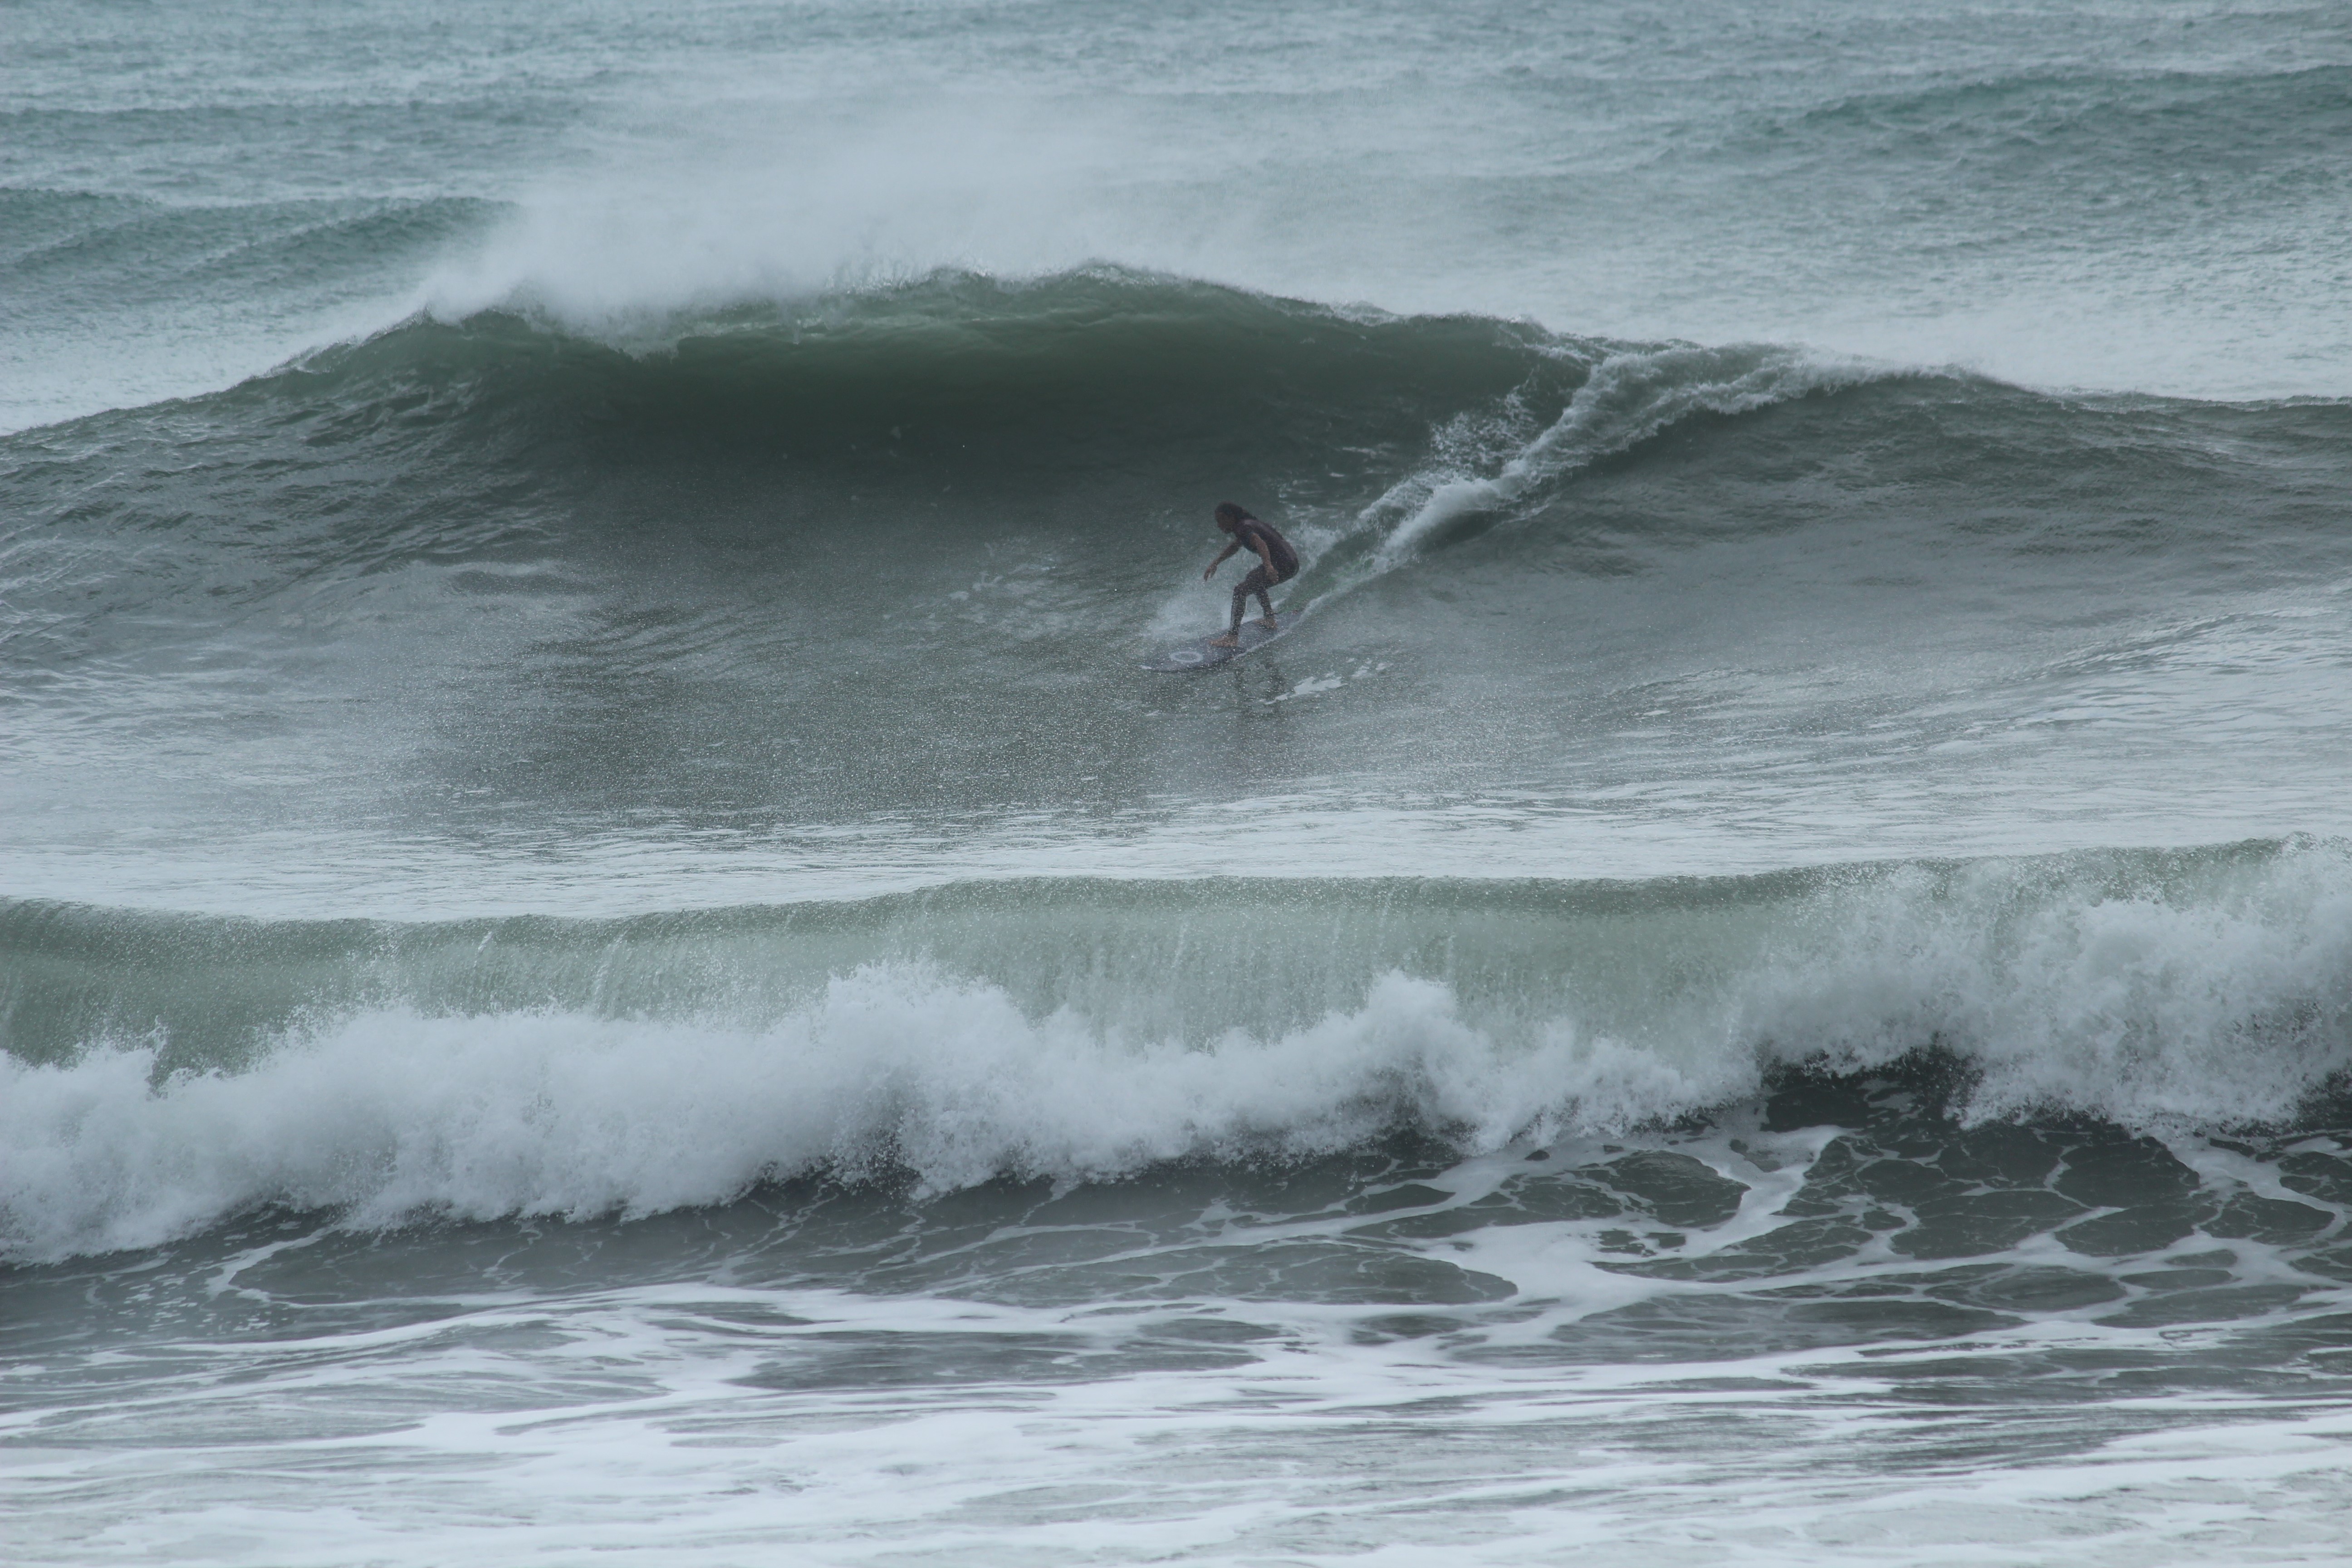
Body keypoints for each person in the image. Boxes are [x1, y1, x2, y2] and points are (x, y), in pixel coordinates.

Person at [1201, 502, 1298, 647]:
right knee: (1253, 578)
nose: (1219, 525)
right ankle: (1270, 619)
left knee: (1240, 591)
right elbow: (1235, 546)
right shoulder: (1245, 525)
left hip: (1284, 565)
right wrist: (1216, 562)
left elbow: (1261, 544)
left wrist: (1269, 567)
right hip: (1291, 562)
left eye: (1221, 520)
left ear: (1231, 517)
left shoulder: (1243, 527)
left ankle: (1232, 637)